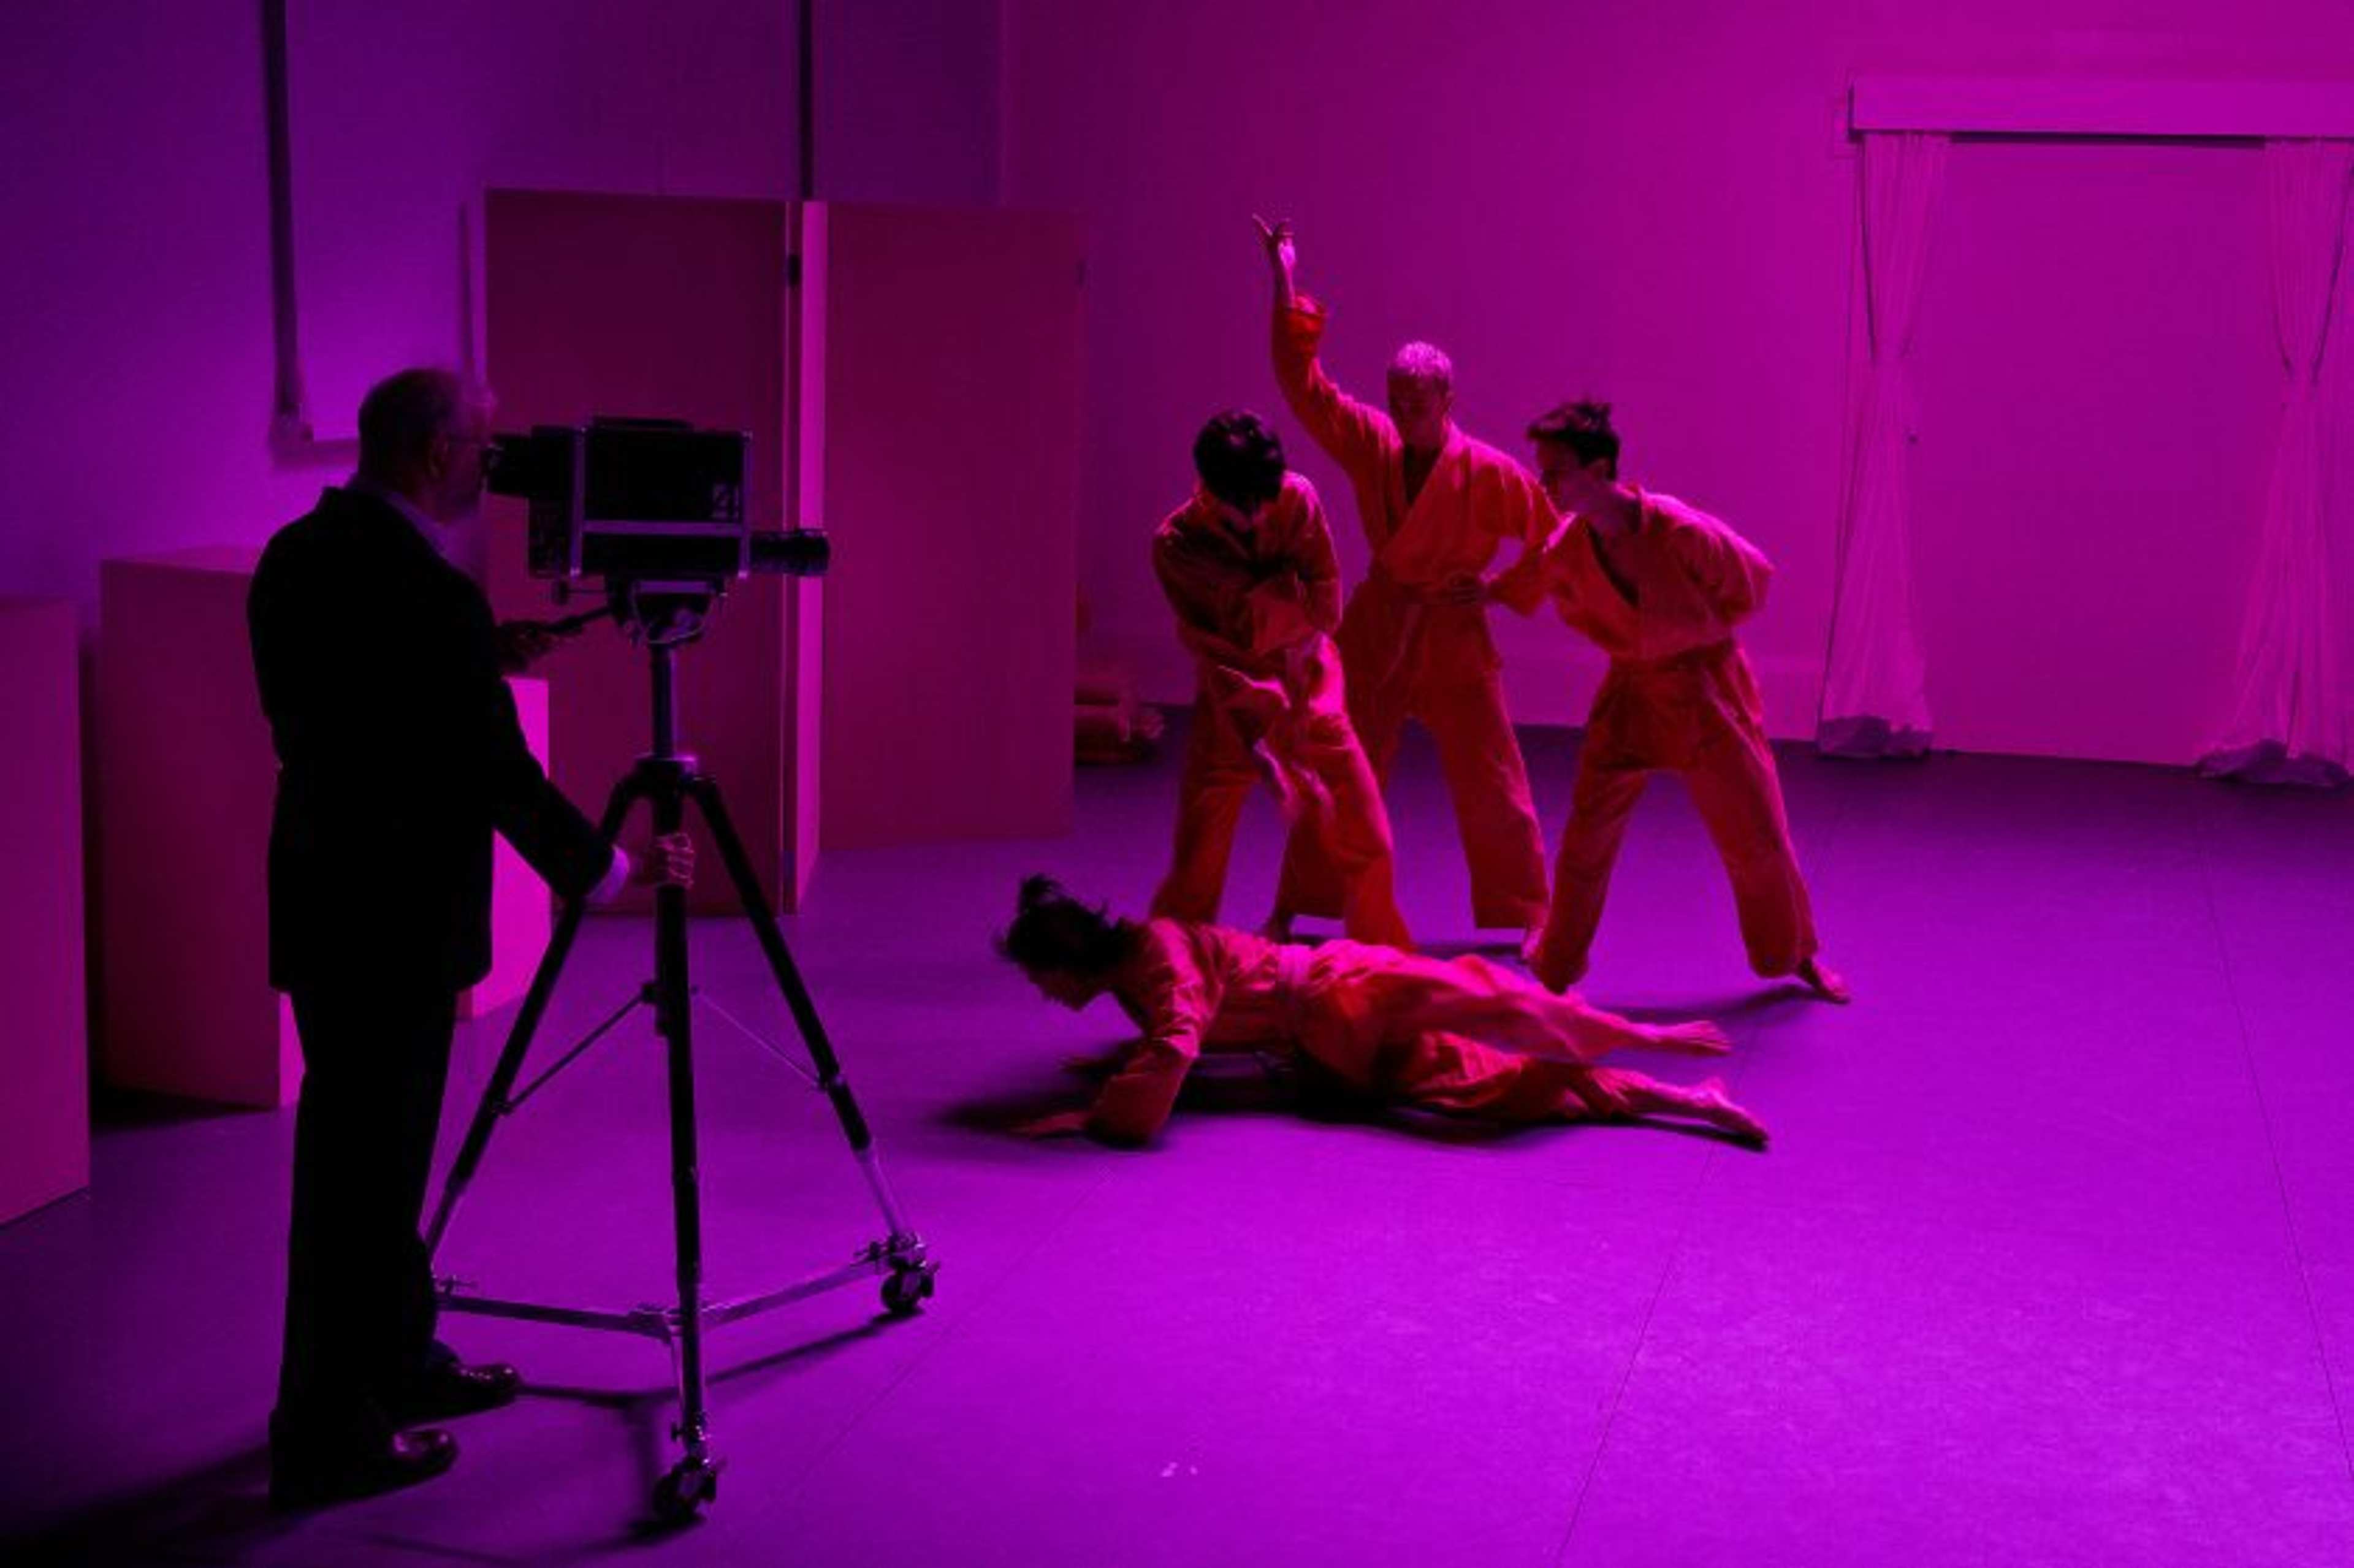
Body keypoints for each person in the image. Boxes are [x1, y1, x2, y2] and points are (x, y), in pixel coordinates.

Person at [248, 367, 695, 1509]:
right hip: (397, 916)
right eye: (485, 449)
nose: (494, 468)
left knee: (372, 1155)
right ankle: (325, 1434)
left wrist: (475, 654)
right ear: (436, 452)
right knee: (363, 1177)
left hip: (324, 896)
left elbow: (347, 703)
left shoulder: (296, 557)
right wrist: (608, 869)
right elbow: (492, 770)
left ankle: (400, 1361)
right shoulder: (429, 597)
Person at [1255, 216, 1556, 945]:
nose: (1404, 413)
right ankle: (1301, 899)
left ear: (1448, 399)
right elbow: (1307, 389)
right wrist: (1285, 277)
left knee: (1491, 773)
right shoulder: (1374, 443)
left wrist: (1497, 589)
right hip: (1383, 618)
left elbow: (1555, 537)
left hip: (1453, 628)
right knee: (1336, 760)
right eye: (1396, 400)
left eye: (1417, 403)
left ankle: (1530, 909)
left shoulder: (1487, 472)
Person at [997, 877, 1765, 1148]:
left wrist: (1101, 1114)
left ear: (1069, 960)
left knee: (1486, 1021)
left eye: (1041, 976)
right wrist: (1115, 1076)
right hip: (1330, 1020)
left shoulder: (1156, 955)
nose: (1044, 992)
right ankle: (1679, 1088)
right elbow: (1177, 1038)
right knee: (1487, 1045)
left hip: (1334, 1014)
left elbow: (1177, 1041)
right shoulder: (1143, 962)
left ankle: (1665, 1070)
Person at [1504, 400, 1846, 1003]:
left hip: (1703, 690)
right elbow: (1532, 584)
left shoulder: (1677, 528)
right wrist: (1481, 592)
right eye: (1544, 470)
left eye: (1556, 471)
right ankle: (1556, 963)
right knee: (1587, 835)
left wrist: (1698, 638)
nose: (1544, 483)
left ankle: (1794, 952)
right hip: (1631, 691)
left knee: (1755, 828)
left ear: (1599, 470)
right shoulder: (1568, 545)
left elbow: (1749, 581)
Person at [1150, 411, 1412, 950]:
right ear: (1209, 490)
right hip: (1233, 699)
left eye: (1265, 501)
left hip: (1313, 684)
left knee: (1367, 833)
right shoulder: (1178, 545)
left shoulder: (1296, 498)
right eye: (1243, 504)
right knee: (1198, 856)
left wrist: (1268, 613)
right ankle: (1175, 963)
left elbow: (1325, 608)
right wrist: (1263, 749)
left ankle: (1384, 965)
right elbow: (1224, 646)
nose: (1259, 514)